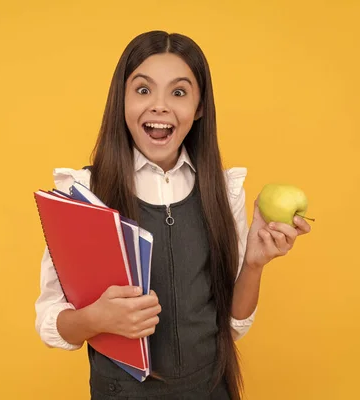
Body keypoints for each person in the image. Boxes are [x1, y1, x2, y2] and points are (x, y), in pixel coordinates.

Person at [34, 30, 311, 399]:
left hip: (211, 390)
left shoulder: (221, 191)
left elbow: (233, 324)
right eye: (143, 90)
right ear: (122, 100)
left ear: (198, 108)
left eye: (178, 92)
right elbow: (51, 321)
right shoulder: (84, 193)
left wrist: (254, 264)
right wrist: (95, 320)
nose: (160, 106)